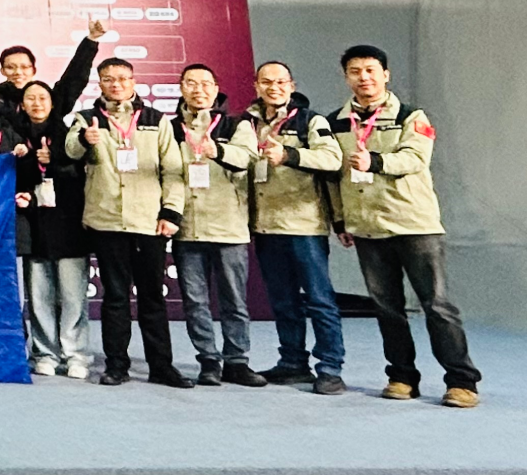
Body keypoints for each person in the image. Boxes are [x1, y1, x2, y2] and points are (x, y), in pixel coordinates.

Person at [332, 44, 480, 407]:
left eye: (370, 70)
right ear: (346, 77)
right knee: (387, 308)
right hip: (368, 228)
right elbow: (333, 177)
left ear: (386, 75)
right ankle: (401, 377)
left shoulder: (412, 116)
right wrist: (340, 219)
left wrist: (374, 162)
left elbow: (415, 158)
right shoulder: (336, 122)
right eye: (355, 71)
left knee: (437, 305)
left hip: (415, 225)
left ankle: (461, 381)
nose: (364, 77)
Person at [67, 57, 190, 389]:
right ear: (100, 84)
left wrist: (171, 212)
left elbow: (174, 171)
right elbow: (70, 150)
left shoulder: (156, 119)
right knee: (116, 297)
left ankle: (161, 366)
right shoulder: (87, 118)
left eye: (122, 78)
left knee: (152, 298)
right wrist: (85, 140)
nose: (116, 84)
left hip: (148, 221)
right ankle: (116, 365)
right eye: (108, 79)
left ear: (133, 82)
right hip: (107, 221)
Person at [246, 61, 348, 394]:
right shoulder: (247, 123)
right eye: (266, 82)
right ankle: (292, 362)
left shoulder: (311, 121)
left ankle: (330, 368)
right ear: (256, 86)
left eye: (280, 82)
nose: (273, 87)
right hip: (266, 225)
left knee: (319, 300)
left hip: (304, 225)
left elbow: (332, 160)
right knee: (283, 301)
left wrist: (289, 155)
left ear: (292, 86)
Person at [167, 64, 263, 387]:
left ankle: (237, 360)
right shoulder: (171, 127)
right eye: (191, 83)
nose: (199, 90)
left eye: (206, 83)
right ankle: (208, 360)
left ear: (216, 87)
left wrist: (216, 149)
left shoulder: (236, 124)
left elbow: (247, 158)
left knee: (234, 300)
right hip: (187, 227)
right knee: (195, 301)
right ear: (181, 88)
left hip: (229, 225)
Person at [12, 80, 91, 378]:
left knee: (72, 296)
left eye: (42, 98)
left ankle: (76, 355)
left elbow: (81, 172)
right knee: (39, 296)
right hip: (35, 225)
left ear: (53, 102)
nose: (37, 103)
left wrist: (54, 160)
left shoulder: (68, 134)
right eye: (30, 98)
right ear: (22, 104)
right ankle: (44, 352)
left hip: (69, 224)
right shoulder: (16, 136)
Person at [0, 16, 106, 118]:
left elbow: (73, 80)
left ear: (34, 70)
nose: (18, 72)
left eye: (24, 67)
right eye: (11, 67)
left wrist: (91, 40)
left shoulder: (48, 100)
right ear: (2, 71)